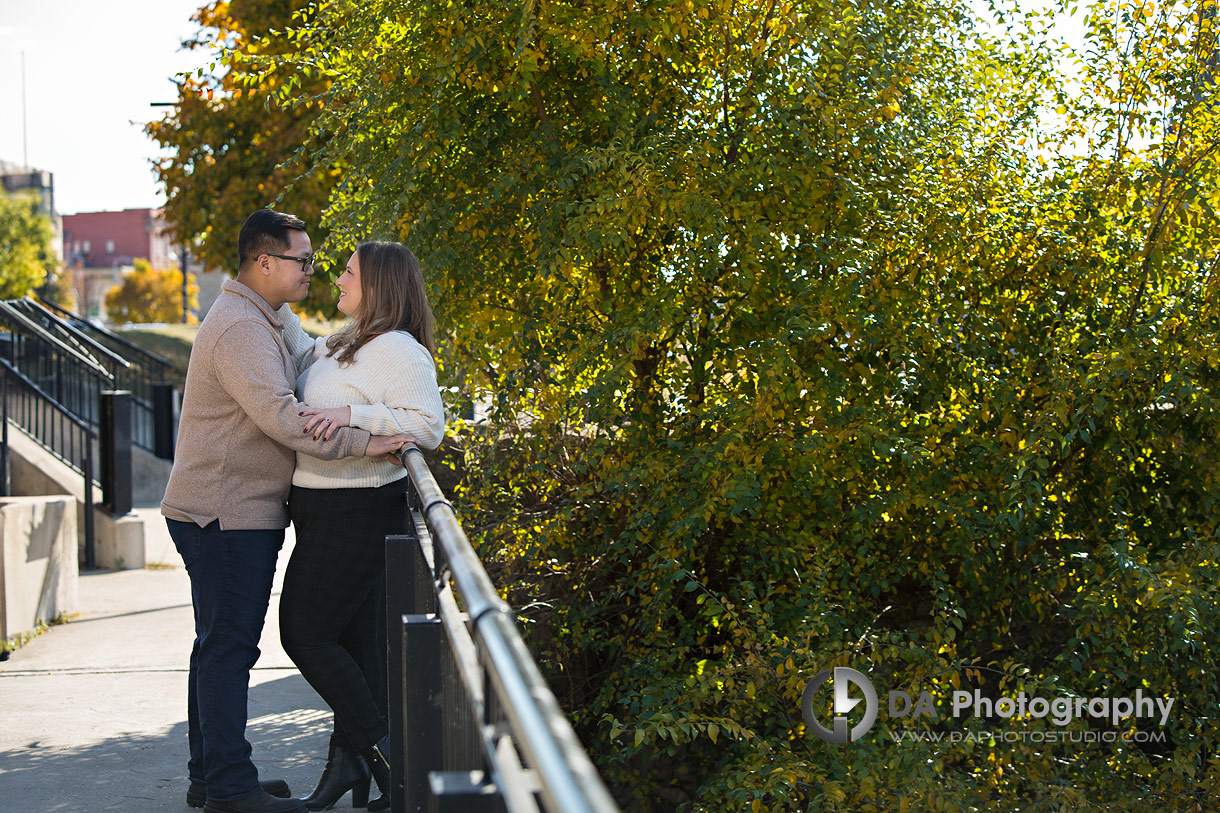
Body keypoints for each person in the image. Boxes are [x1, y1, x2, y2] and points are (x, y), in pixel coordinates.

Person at [161, 210, 413, 813]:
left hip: (228, 509)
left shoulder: (266, 318)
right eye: (302, 260)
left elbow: (315, 357)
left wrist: (373, 362)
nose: (312, 270)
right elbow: (282, 415)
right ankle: (230, 789)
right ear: (265, 262)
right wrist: (365, 441)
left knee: (215, 645)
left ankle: (211, 775)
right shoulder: (241, 329)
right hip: (225, 513)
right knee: (229, 649)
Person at [278, 241, 445, 811]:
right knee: (355, 646)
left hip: (358, 508)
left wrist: (352, 415)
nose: (339, 279)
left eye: (349, 272)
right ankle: (352, 765)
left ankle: (390, 761)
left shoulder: (398, 349)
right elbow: (296, 344)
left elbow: (427, 427)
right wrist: (265, 291)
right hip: (320, 508)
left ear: (378, 285)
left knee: (304, 634)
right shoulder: (344, 342)